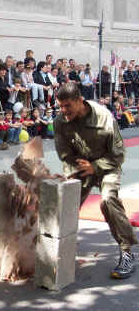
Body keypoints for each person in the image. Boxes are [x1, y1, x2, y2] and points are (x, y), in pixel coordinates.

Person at [54, 82, 138, 279]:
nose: (64, 111)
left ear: (80, 101)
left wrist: (96, 167)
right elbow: (65, 154)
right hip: (81, 166)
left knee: (108, 200)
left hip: (107, 164)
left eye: (68, 106)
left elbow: (118, 155)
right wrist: (72, 172)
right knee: (65, 200)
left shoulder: (104, 117)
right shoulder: (60, 122)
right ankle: (55, 249)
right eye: (61, 106)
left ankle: (126, 252)